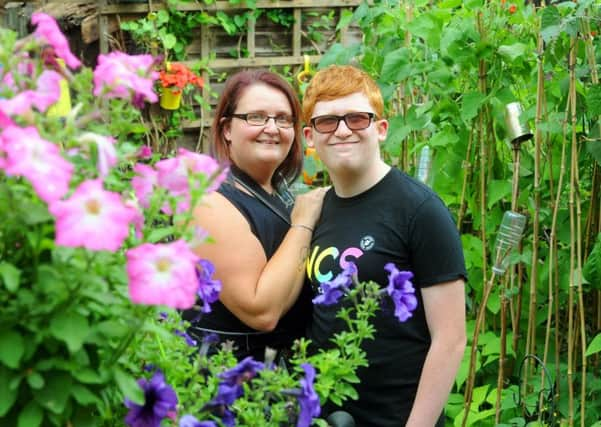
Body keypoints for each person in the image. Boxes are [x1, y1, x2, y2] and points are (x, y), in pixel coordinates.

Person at [302, 65, 467, 427]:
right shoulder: (313, 210)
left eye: (358, 119)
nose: (343, 130)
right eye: (327, 121)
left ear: (381, 129)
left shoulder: (419, 210)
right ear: (310, 138)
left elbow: (451, 337)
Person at [183, 70, 327, 361]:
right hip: (232, 382)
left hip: (278, 378)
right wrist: (303, 223)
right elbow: (261, 311)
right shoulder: (209, 201)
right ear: (226, 129)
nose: (272, 128)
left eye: (283, 119)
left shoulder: (278, 191)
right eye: (257, 117)